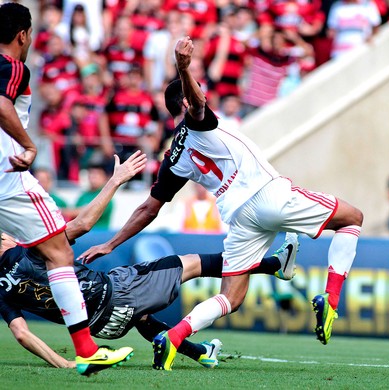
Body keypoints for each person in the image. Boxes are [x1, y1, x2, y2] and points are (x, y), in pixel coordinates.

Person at [79, 36, 363, 371]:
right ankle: (330, 300)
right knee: (351, 218)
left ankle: (173, 338)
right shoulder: (197, 121)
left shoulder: (173, 157)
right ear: (185, 101)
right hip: (266, 194)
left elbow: (148, 209)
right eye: (197, 88)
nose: (204, 94)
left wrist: (111, 243)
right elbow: (197, 106)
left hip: (240, 216)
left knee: (232, 296)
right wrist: (183, 67)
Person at [0, 151, 299, 370]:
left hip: (100, 329)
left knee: (141, 317)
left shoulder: (1, 288)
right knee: (191, 263)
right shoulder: (31, 249)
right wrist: (116, 180)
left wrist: (63, 362)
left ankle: (201, 353)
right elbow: (82, 224)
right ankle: (275, 265)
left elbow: (22, 334)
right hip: (116, 293)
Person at [0, 3, 133, 376]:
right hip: (7, 178)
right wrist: (29, 144)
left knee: (55, 249)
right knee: (60, 252)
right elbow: (2, 106)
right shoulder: (12, 66)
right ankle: (86, 349)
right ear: (24, 35)